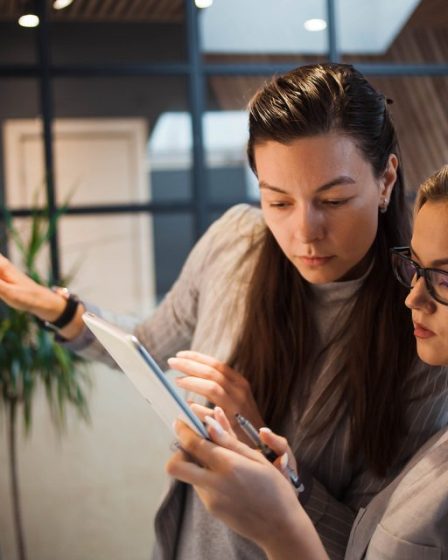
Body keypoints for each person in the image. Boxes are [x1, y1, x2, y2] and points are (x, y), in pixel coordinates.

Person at [0, 64, 447, 559]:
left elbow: (366, 546)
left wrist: (260, 447)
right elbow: (150, 346)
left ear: (386, 179)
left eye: (334, 200)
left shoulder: (424, 332)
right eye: (277, 201)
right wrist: (60, 310)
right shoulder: (235, 241)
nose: (304, 232)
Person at [167, 165, 448, 559]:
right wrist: (285, 478)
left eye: (445, 280)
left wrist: (282, 526)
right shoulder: (234, 249)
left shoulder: (419, 375)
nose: (413, 299)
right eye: (278, 200)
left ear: (385, 182)